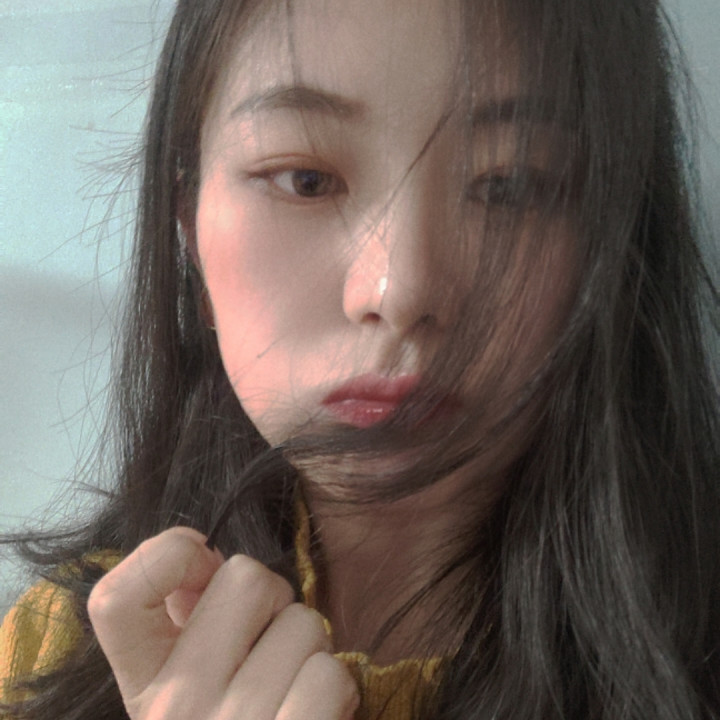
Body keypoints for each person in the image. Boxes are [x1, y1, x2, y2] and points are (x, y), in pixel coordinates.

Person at [1, 0, 719, 718]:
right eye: (305, 180)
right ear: (189, 232)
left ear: (616, 247)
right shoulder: (50, 650)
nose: (397, 291)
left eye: (511, 187)